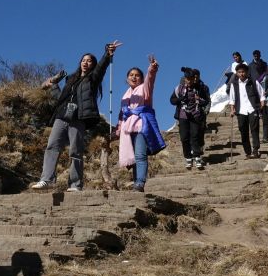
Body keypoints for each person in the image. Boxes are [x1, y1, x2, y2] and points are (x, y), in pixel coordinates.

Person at [31, 41, 121, 192]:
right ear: (80, 62)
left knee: (75, 150)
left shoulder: (93, 78)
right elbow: (61, 98)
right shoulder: (70, 79)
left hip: (78, 117)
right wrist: (53, 84)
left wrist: (107, 53)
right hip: (61, 116)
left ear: (93, 64)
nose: (86, 63)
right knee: (52, 146)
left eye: (89, 61)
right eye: (83, 60)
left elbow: (102, 68)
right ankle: (46, 179)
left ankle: (75, 184)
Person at [115, 55, 166, 191]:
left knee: (140, 155)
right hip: (127, 129)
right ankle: (136, 183)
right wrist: (118, 127)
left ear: (141, 78)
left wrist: (152, 68)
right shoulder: (125, 95)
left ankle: (140, 182)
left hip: (141, 125)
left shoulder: (144, 88)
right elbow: (122, 113)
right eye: (131, 75)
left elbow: (151, 80)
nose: (134, 77)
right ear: (127, 78)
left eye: (137, 75)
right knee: (133, 158)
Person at [171, 68, 211, 170]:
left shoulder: (200, 88)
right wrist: (180, 100)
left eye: (191, 79)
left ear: (194, 79)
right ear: (185, 79)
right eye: (187, 79)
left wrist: (200, 100)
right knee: (184, 137)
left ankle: (197, 156)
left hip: (195, 115)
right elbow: (172, 100)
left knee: (195, 136)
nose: (189, 81)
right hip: (183, 115)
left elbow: (206, 100)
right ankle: (188, 157)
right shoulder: (178, 88)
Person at [228, 63, 265, 158]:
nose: (241, 74)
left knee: (254, 130)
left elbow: (261, 94)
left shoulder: (253, 82)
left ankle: (256, 150)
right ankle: (248, 152)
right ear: (236, 73)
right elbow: (232, 99)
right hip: (240, 110)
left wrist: (262, 105)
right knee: (243, 131)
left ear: (247, 72)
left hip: (252, 108)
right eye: (239, 72)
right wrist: (232, 110)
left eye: (243, 72)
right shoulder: (234, 84)